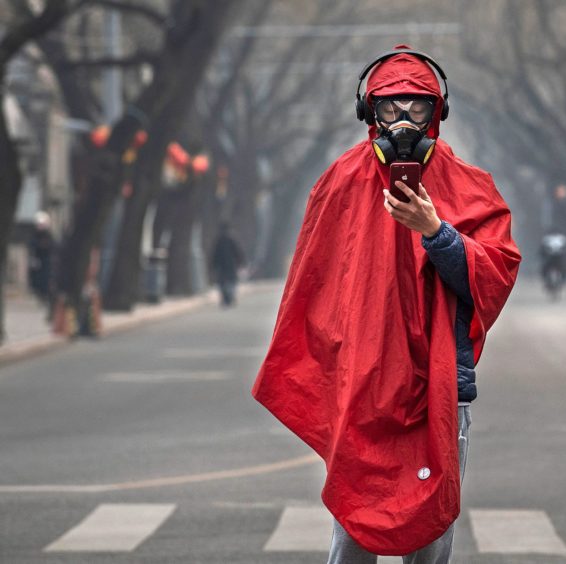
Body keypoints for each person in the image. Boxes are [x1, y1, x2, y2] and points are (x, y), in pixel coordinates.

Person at [251, 45, 521, 563]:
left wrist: (436, 233)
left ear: (437, 112)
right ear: (369, 111)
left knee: (432, 524)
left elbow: (496, 274)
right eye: (390, 106)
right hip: (360, 384)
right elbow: (314, 289)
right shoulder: (340, 182)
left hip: (440, 386)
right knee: (355, 518)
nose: (402, 119)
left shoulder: (469, 185)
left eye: (416, 106)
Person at [210, 222, 245, 307]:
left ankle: (225, 298)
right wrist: (241, 262)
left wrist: (213, 265)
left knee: (222, 282)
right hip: (231, 264)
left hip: (221, 265)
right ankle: (230, 296)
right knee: (232, 281)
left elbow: (214, 254)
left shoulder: (218, 240)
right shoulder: (232, 239)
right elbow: (238, 252)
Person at [28, 211, 55, 314]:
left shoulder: (48, 235)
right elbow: (32, 246)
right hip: (38, 261)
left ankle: (44, 296)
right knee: (37, 280)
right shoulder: (35, 235)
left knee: (45, 280)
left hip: (46, 262)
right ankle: (39, 294)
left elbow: (52, 246)